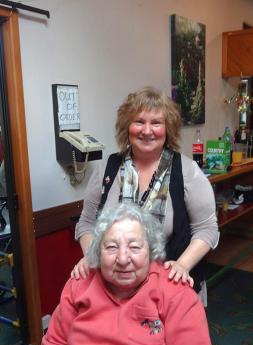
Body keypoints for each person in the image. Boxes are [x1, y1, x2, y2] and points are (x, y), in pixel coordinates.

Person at [38, 203, 215, 345]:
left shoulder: (175, 291)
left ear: (151, 250)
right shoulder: (79, 285)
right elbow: (56, 344)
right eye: (111, 247)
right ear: (97, 251)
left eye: (135, 247)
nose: (123, 259)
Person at [73, 86, 219, 294]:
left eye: (156, 123)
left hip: (169, 287)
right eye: (139, 121)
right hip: (113, 287)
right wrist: (91, 257)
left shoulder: (187, 172)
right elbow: (86, 223)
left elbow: (207, 229)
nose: (147, 130)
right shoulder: (106, 169)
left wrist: (183, 265)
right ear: (127, 127)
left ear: (167, 129)